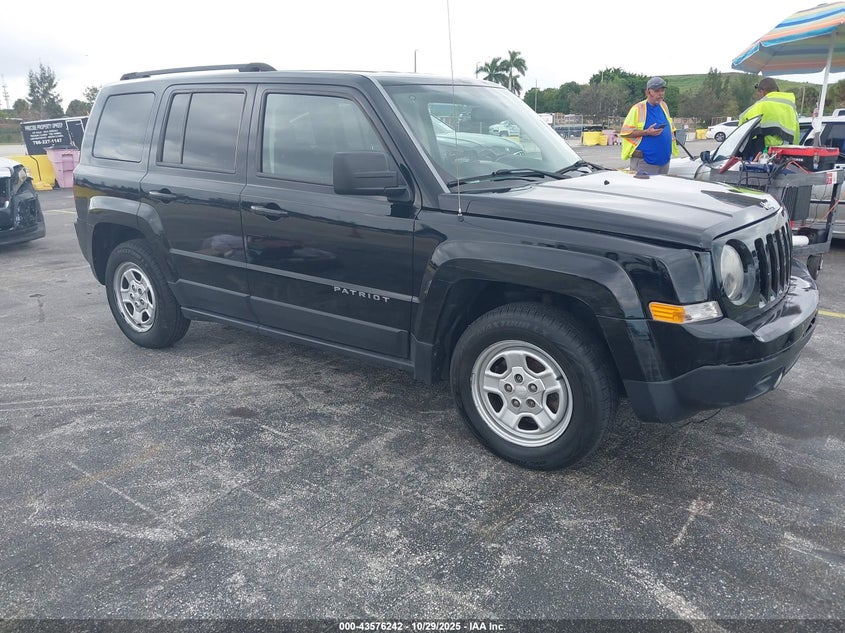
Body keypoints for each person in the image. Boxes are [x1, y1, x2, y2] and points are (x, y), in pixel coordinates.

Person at [620, 77, 678, 175]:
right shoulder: (638, 108)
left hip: (664, 161)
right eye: (657, 91)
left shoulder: (664, 106)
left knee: (659, 190)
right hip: (645, 162)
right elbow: (625, 133)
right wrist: (646, 132)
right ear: (648, 92)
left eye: (662, 90)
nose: (661, 94)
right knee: (643, 190)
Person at [737, 77, 799, 159]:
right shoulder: (792, 108)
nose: (758, 96)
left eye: (758, 93)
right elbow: (796, 133)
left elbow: (741, 126)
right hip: (786, 155)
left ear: (762, 91)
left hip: (763, 155)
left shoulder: (761, 105)